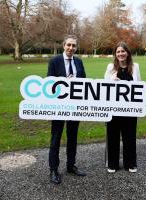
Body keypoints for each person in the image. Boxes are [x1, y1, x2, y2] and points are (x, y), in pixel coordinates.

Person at [47, 35, 86, 184]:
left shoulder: (79, 61)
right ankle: (53, 170)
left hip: (75, 106)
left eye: (73, 46)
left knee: (72, 137)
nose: (71, 48)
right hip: (58, 106)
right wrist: (64, 82)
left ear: (76, 48)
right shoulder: (55, 61)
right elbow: (49, 84)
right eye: (68, 45)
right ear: (63, 45)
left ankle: (71, 166)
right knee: (56, 138)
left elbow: (84, 82)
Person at [104, 41, 141, 173]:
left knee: (129, 137)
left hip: (130, 109)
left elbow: (138, 85)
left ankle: (130, 164)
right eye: (118, 52)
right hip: (113, 110)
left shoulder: (135, 66)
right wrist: (111, 80)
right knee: (112, 136)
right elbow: (104, 87)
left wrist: (144, 86)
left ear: (127, 53)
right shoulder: (110, 67)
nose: (121, 54)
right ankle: (112, 164)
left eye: (123, 51)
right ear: (115, 54)